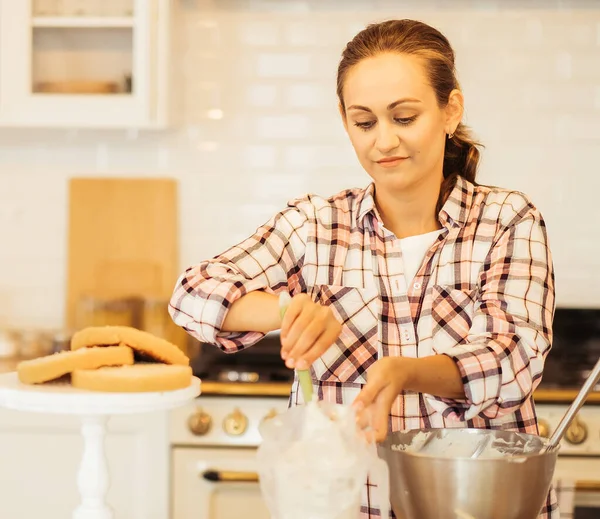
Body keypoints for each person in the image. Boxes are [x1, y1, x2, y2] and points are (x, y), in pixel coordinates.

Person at [169, 19, 557, 518]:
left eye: (404, 117)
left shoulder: (508, 219)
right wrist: (286, 310)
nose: (384, 142)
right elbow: (190, 294)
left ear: (450, 110)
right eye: (365, 122)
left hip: (476, 506)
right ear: (344, 120)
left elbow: (513, 361)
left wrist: (407, 372)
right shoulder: (314, 224)